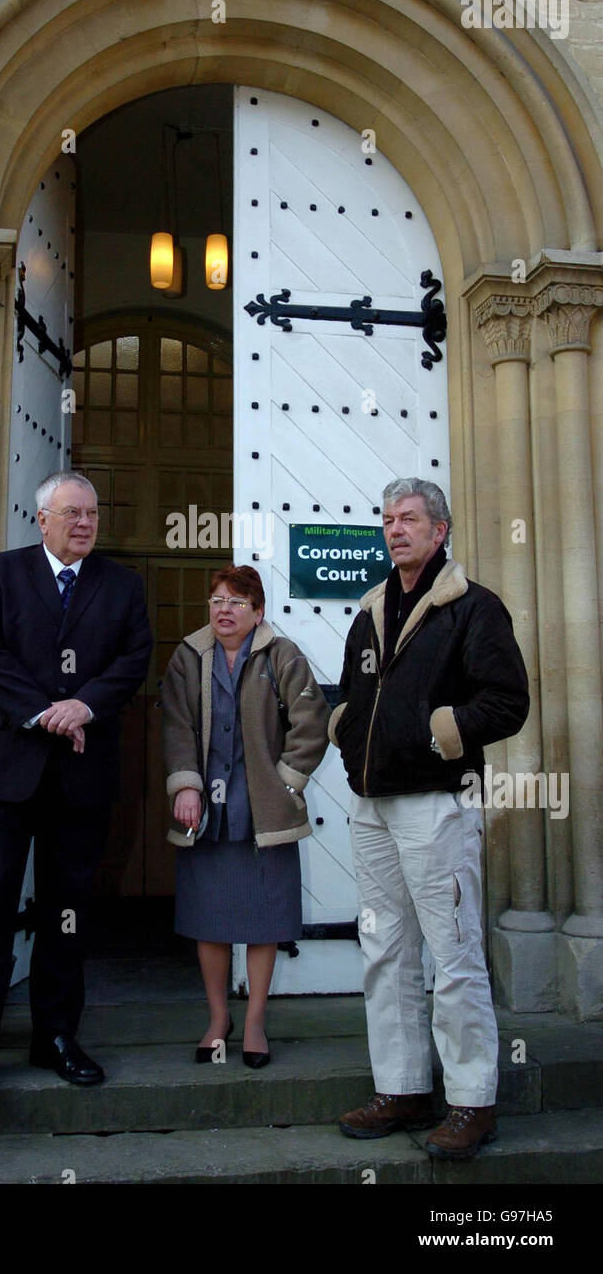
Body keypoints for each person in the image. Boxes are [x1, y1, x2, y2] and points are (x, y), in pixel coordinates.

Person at [330, 478, 529, 1158]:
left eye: (409, 519)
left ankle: (471, 1101)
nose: (395, 529)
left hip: (437, 805)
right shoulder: (370, 610)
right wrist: (345, 728)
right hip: (372, 807)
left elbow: (506, 701)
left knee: (454, 957)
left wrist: (444, 731)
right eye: (386, 519)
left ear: (439, 531)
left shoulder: (472, 608)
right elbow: (355, 690)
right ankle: (403, 1087)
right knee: (384, 951)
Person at [0, 471, 153, 1097]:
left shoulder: (123, 585)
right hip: (3, 768)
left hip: (81, 773)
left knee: (68, 909)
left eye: (92, 513)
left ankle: (56, 1036)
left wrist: (83, 706)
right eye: (72, 514)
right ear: (42, 520)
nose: (85, 523)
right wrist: (44, 712)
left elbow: (134, 659)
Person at [161, 565, 329, 1068]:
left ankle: (254, 1020)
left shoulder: (283, 656)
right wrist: (186, 784)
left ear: (258, 612)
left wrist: (284, 783)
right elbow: (175, 726)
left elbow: (312, 722)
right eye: (216, 600)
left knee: (262, 921)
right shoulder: (187, 658)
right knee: (209, 921)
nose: (224, 610)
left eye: (236, 602)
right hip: (205, 815)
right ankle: (218, 1019)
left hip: (264, 817)